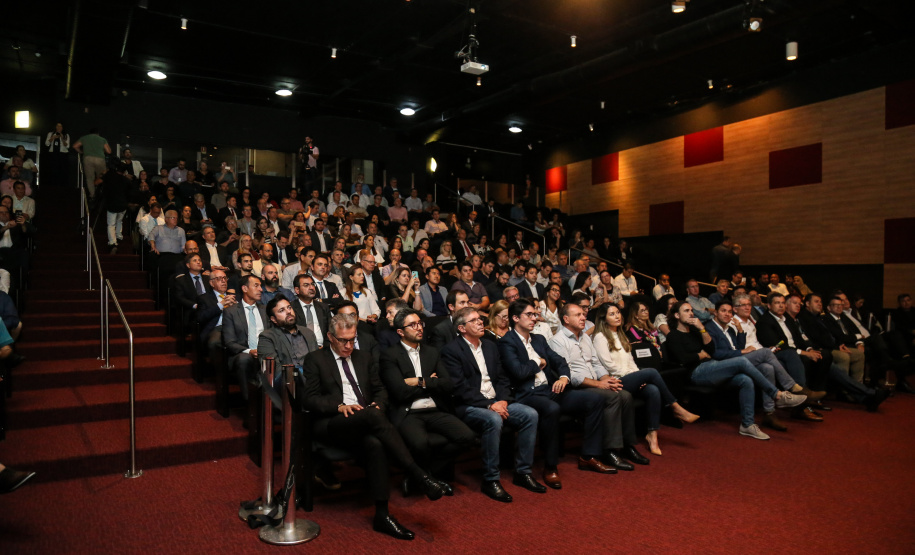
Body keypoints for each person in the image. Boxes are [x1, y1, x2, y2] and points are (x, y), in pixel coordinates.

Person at [301, 313, 448, 540]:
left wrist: (378, 404)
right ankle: (419, 474)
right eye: (343, 340)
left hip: (367, 421)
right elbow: (309, 398)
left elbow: (380, 390)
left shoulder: (364, 357)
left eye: (352, 339)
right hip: (333, 423)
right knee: (372, 419)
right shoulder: (315, 359)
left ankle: (382, 514)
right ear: (330, 337)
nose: (349, 345)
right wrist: (339, 406)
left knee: (375, 443)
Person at [499, 299, 614, 489]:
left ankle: (588, 456)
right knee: (551, 409)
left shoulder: (539, 339)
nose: (534, 318)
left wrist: (563, 378)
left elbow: (559, 360)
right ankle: (550, 466)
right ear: (515, 318)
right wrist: (538, 362)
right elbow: (518, 372)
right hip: (527, 394)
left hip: (550, 389)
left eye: (535, 315)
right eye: (529, 315)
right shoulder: (506, 342)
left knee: (595, 398)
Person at [441, 307, 543, 502]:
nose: (481, 322)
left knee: (530, 414)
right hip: (470, 405)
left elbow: (503, 378)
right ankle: (491, 479)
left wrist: (503, 399)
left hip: (497, 401)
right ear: (462, 328)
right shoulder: (451, 350)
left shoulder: (490, 346)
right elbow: (460, 388)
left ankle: (522, 472)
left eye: (480, 319)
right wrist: (489, 405)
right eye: (475, 320)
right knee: (493, 419)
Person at [664, 301, 806, 440]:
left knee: (746, 380)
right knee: (742, 360)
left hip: (711, 366)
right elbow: (684, 358)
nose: (691, 313)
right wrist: (700, 354)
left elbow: (711, 350)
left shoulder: (695, 331)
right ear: (677, 315)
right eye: (686, 311)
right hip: (696, 372)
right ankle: (777, 394)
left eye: (691, 310)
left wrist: (701, 329)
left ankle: (747, 424)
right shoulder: (673, 335)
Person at [379, 308, 476, 493]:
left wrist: (419, 381)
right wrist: (432, 383)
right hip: (409, 413)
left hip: (435, 408)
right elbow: (399, 392)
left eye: (420, 323)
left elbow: (448, 385)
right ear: (400, 332)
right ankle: (428, 479)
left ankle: (424, 476)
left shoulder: (432, 352)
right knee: (420, 444)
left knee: (468, 437)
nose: (419, 328)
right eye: (413, 325)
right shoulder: (390, 355)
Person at [548, 302, 651, 469]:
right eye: (578, 315)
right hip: (575, 389)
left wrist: (607, 380)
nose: (584, 317)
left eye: (584, 314)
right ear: (566, 319)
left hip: (594, 384)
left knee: (624, 394)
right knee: (613, 397)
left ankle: (627, 446)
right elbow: (569, 374)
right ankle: (610, 450)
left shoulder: (586, 338)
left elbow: (596, 363)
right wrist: (599, 384)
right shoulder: (557, 341)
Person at [592, 304, 698, 455]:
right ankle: (675, 407)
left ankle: (652, 435)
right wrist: (635, 376)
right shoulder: (600, 337)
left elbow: (631, 362)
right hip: (616, 380)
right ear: (604, 318)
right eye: (612, 314)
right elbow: (609, 365)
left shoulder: (621, 334)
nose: (617, 316)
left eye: (618, 313)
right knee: (652, 372)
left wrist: (637, 377)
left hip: (630, 377)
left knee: (653, 389)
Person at [257, 296, 319, 394]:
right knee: (295, 373)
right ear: (273, 319)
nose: (288, 312)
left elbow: (317, 362)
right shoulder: (267, 337)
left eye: (289, 307)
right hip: (285, 383)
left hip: (312, 380)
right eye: (281, 310)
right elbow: (273, 371)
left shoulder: (308, 333)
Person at [221, 275, 268, 400]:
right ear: (245, 288)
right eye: (256, 286)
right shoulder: (231, 312)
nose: (261, 289)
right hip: (244, 353)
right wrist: (250, 351)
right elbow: (229, 342)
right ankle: (249, 405)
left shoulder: (265, 310)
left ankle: (275, 404)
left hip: (266, 353)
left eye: (261, 286)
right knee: (244, 359)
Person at [72, 127, 112, 199]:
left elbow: (75, 146)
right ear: (98, 133)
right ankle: (102, 194)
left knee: (89, 178)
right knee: (102, 177)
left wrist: (81, 152)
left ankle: (92, 195)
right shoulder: (102, 139)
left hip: (87, 159)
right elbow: (109, 151)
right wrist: (103, 151)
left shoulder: (84, 138)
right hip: (100, 159)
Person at [103, 163, 131, 253]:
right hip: (123, 204)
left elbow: (105, 189)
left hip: (112, 204)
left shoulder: (110, 178)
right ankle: (119, 236)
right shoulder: (126, 180)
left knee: (111, 224)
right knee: (119, 220)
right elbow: (129, 193)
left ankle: (112, 242)